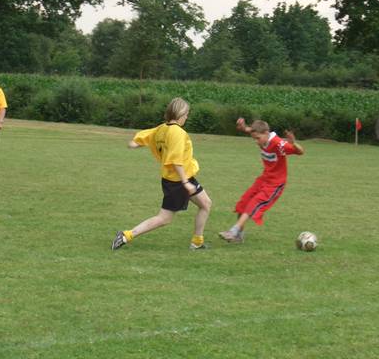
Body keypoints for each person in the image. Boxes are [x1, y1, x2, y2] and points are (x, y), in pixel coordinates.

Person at [111, 97, 213, 251]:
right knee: (164, 218)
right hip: (178, 180)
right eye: (186, 114)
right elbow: (176, 160)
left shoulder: (162, 128)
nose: (187, 117)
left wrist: (135, 143)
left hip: (176, 178)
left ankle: (197, 241)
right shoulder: (178, 132)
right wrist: (185, 183)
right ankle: (126, 235)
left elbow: (147, 136)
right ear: (180, 114)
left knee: (205, 203)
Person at [218, 118, 305, 243]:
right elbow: (252, 130)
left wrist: (293, 142)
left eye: (258, 138)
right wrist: (244, 128)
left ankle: (233, 231)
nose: (256, 141)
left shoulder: (278, 143)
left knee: (254, 203)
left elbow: (300, 152)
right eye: (254, 138)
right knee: (244, 202)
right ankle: (239, 236)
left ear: (266, 133)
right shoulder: (261, 134)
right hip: (264, 179)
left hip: (275, 183)